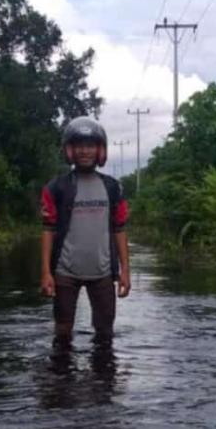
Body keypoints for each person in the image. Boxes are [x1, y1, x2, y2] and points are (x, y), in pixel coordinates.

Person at [40, 116, 130, 349]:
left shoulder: (113, 187)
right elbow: (48, 230)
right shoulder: (57, 187)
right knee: (62, 334)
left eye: (90, 146)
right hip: (64, 272)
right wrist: (45, 272)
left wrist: (125, 271)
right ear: (69, 150)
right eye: (79, 145)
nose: (84, 151)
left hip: (102, 273)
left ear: (100, 150)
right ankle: (61, 383)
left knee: (105, 336)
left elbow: (120, 229)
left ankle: (103, 385)